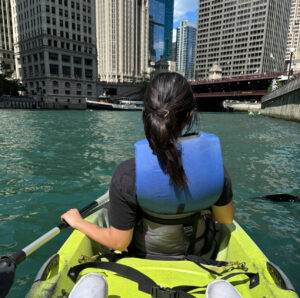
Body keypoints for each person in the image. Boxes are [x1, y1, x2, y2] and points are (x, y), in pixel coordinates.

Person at [61, 72, 234, 258]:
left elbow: (118, 242)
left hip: (142, 261)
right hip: (198, 258)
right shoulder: (215, 169)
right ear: (190, 115)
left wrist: (78, 222)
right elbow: (224, 218)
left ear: (145, 114)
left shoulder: (126, 175)